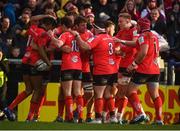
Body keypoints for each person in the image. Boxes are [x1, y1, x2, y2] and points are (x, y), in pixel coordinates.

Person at [70, 20, 118, 124]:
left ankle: (98, 118)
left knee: (98, 94)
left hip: (102, 70)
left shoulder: (97, 37)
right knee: (108, 94)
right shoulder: (110, 37)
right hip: (113, 70)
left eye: (93, 28)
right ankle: (113, 117)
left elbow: (85, 46)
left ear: (96, 28)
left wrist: (77, 36)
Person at [126, 18, 163, 125]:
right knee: (155, 95)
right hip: (155, 69)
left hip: (144, 69)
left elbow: (143, 52)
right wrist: (122, 41)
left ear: (141, 26)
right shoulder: (154, 36)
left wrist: (133, 64)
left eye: (137, 25)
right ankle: (159, 119)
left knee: (130, 91)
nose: (136, 27)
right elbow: (136, 44)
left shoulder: (143, 36)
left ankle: (139, 114)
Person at [56, 16, 84, 123]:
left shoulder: (65, 34)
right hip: (78, 66)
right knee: (77, 92)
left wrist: (52, 37)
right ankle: (81, 116)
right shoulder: (77, 35)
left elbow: (58, 44)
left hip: (67, 65)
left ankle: (70, 117)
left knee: (67, 93)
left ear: (63, 25)